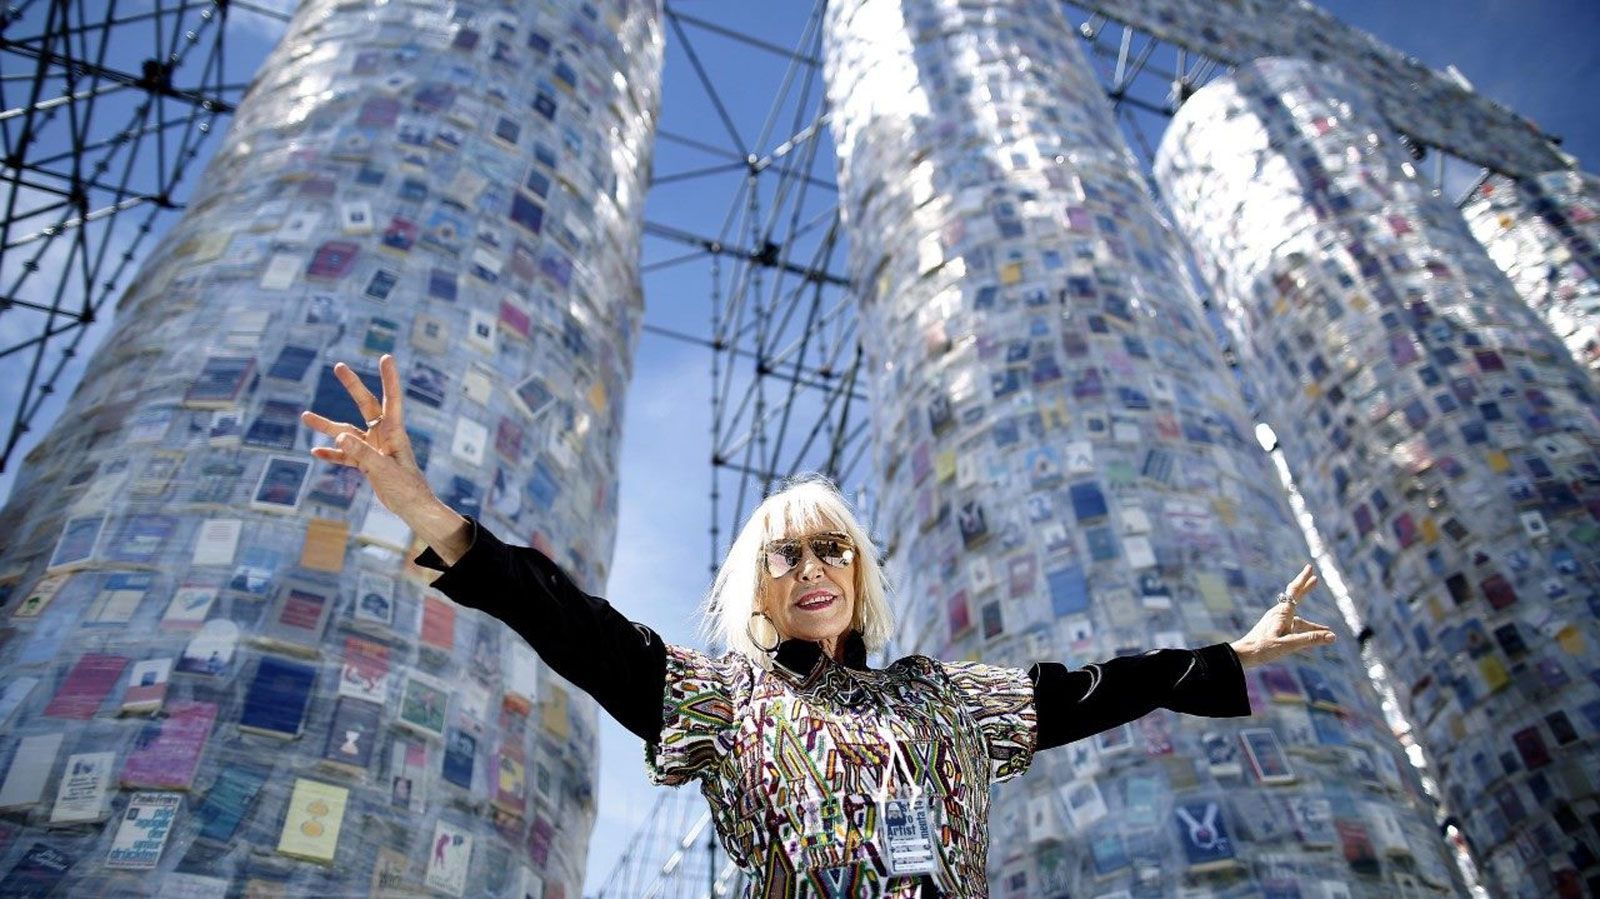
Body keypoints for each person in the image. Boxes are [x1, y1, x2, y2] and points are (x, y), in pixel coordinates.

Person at [302, 354, 1339, 897]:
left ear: (858, 572)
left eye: (831, 547)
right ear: (753, 588)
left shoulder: (946, 698)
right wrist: (424, 508)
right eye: (784, 552)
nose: (811, 566)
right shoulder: (719, 697)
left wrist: (1232, 652)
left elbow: (1094, 687)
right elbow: (565, 618)